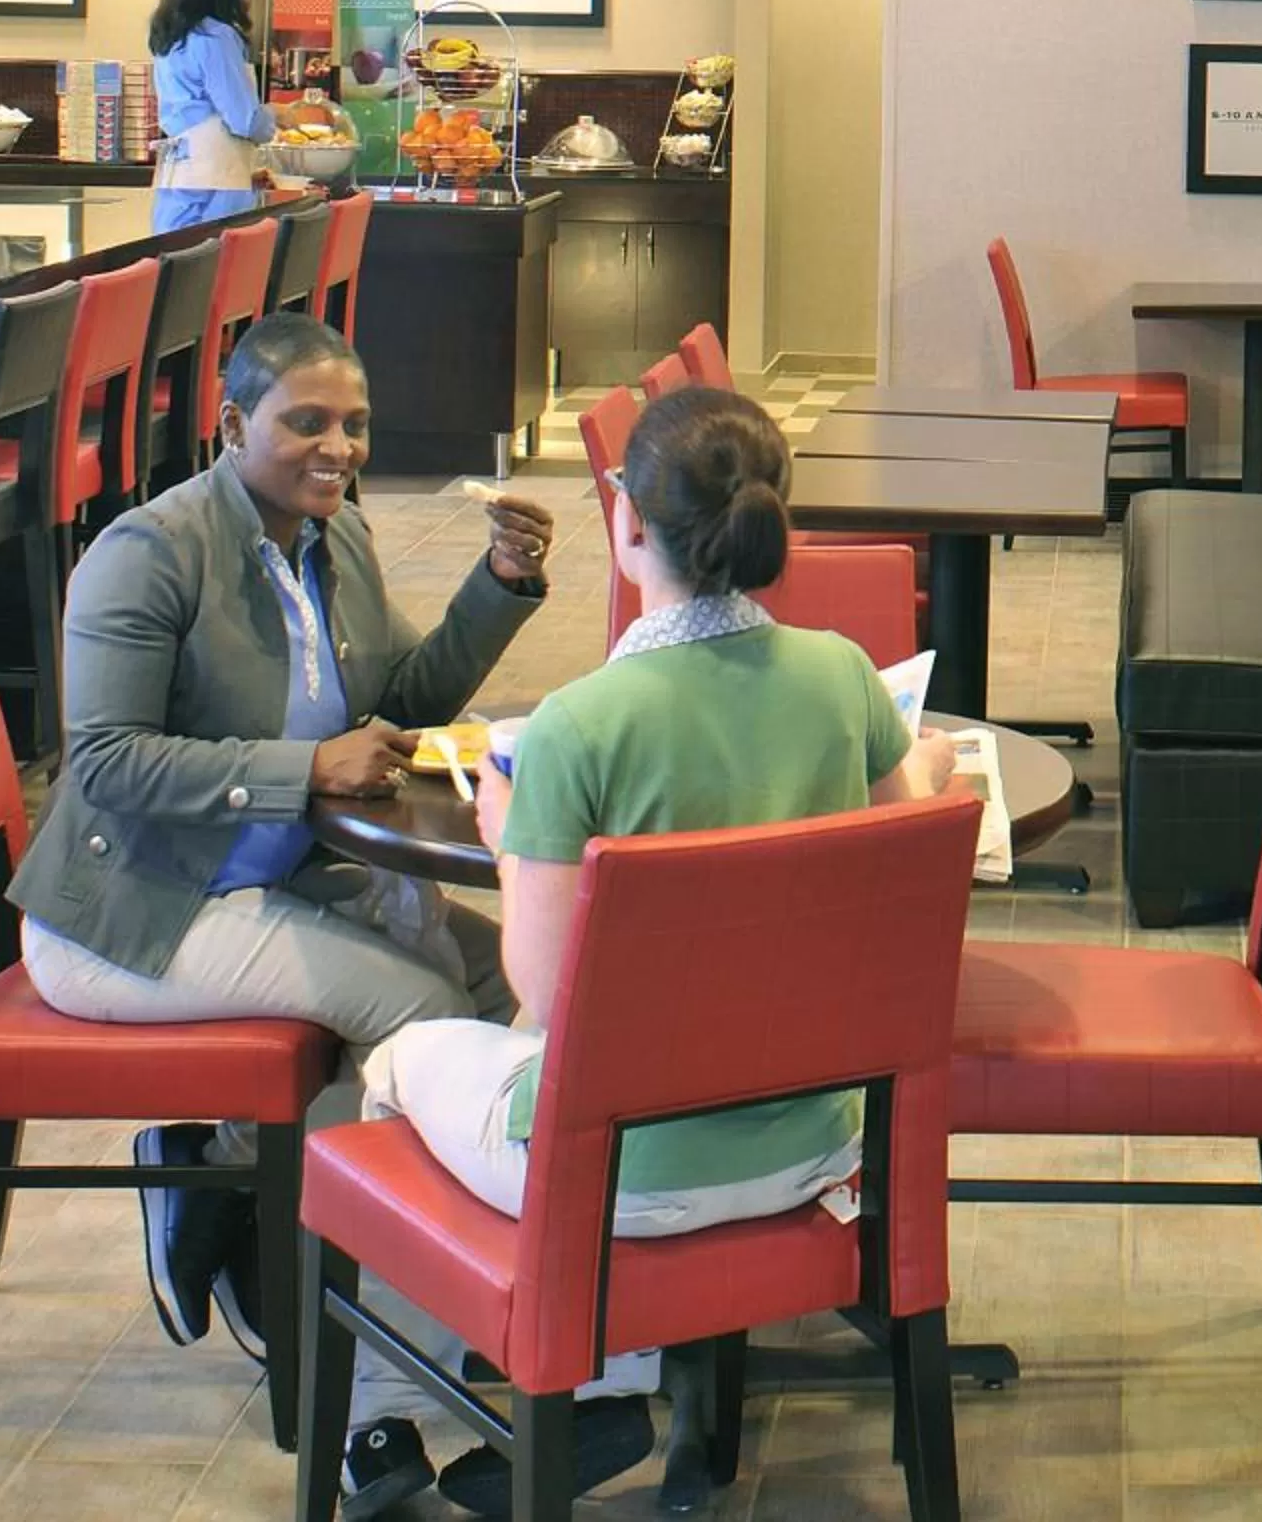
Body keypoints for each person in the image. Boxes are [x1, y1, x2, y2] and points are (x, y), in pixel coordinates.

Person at [336, 385, 958, 1519]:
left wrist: (506, 837)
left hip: (625, 1177)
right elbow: (898, 841)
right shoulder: (843, 677)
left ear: (626, 517)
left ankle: (436, 1404)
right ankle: (607, 1378)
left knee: (400, 1060)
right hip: (819, 1148)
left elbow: (545, 983)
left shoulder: (580, 724)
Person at [6, 312, 557, 1371]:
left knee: (508, 984)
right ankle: (328, 1305)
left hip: (274, 885)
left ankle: (225, 1169)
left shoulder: (334, 531)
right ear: (228, 423)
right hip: (137, 915)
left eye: (354, 424)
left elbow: (400, 698)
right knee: (426, 1011)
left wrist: (499, 582)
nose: (338, 447)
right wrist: (304, 769)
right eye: (306, 421)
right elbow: (108, 760)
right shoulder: (150, 551)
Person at [147, 0, 278, 230]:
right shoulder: (216, 37)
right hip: (215, 192)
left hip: (179, 181)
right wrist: (278, 116)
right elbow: (245, 120)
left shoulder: (171, 33)